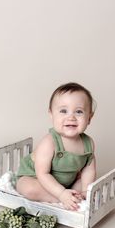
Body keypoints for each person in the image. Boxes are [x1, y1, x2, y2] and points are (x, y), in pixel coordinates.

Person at [16, 82, 97, 211]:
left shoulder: (88, 143)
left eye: (79, 112)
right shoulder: (49, 142)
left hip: (65, 181)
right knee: (29, 189)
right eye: (63, 111)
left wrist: (86, 189)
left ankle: (73, 196)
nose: (71, 117)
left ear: (89, 118)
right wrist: (61, 194)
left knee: (86, 182)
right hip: (36, 177)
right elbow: (42, 173)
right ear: (51, 114)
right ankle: (64, 198)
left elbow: (89, 169)